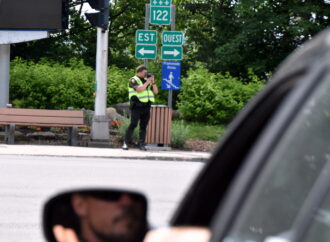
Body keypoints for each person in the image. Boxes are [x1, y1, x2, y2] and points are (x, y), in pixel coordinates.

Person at [122, 65, 158, 151]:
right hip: (137, 106)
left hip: (146, 107)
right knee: (133, 124)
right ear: (139, 72)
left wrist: (152, 82)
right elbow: (139, 89)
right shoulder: (133, 80)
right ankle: (126, 143)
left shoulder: (147, 81)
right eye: (145, 73)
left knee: (143, 126)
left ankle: (141, 144)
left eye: (147, 73)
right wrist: (147, 82)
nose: (146, 74)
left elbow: (156, 92)